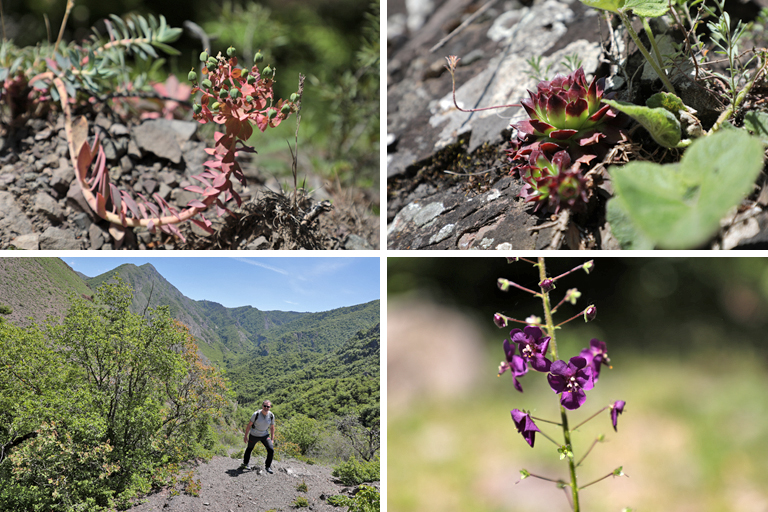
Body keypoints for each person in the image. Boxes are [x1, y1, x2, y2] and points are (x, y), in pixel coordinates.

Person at [240, 400, 276, 473]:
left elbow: (272, 427)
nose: (266, 408)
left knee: (271, 449)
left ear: (270, 407)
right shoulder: (256, 414)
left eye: (268, 406)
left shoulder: (271, 415)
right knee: (250, 448)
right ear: (262, 406)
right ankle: (245, 464)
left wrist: (272, 438)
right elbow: (249, 425)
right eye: (265, 406)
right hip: (254, 435)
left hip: (265, 435)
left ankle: (268, 467)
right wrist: (245, 436)